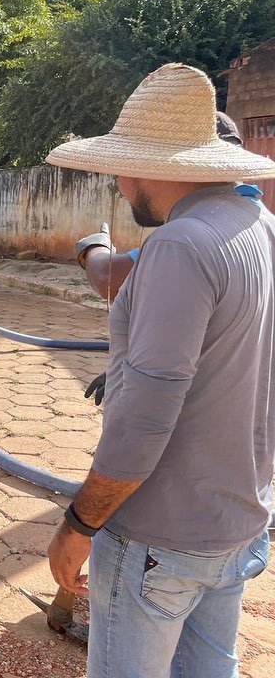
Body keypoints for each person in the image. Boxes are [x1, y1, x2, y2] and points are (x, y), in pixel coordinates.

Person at [44, 63, 275, 678]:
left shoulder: (180, 246)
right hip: (237, 521)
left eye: (120, 166)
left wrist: (79, 523)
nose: (118, 183)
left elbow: (144, 423)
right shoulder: (260, 227)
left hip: (159, 539)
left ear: (150, 167)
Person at [74, 113, 266, 404]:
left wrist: (93, 248)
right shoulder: (258, 218)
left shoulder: (185, 240)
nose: (121, 184)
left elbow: (109, 278)